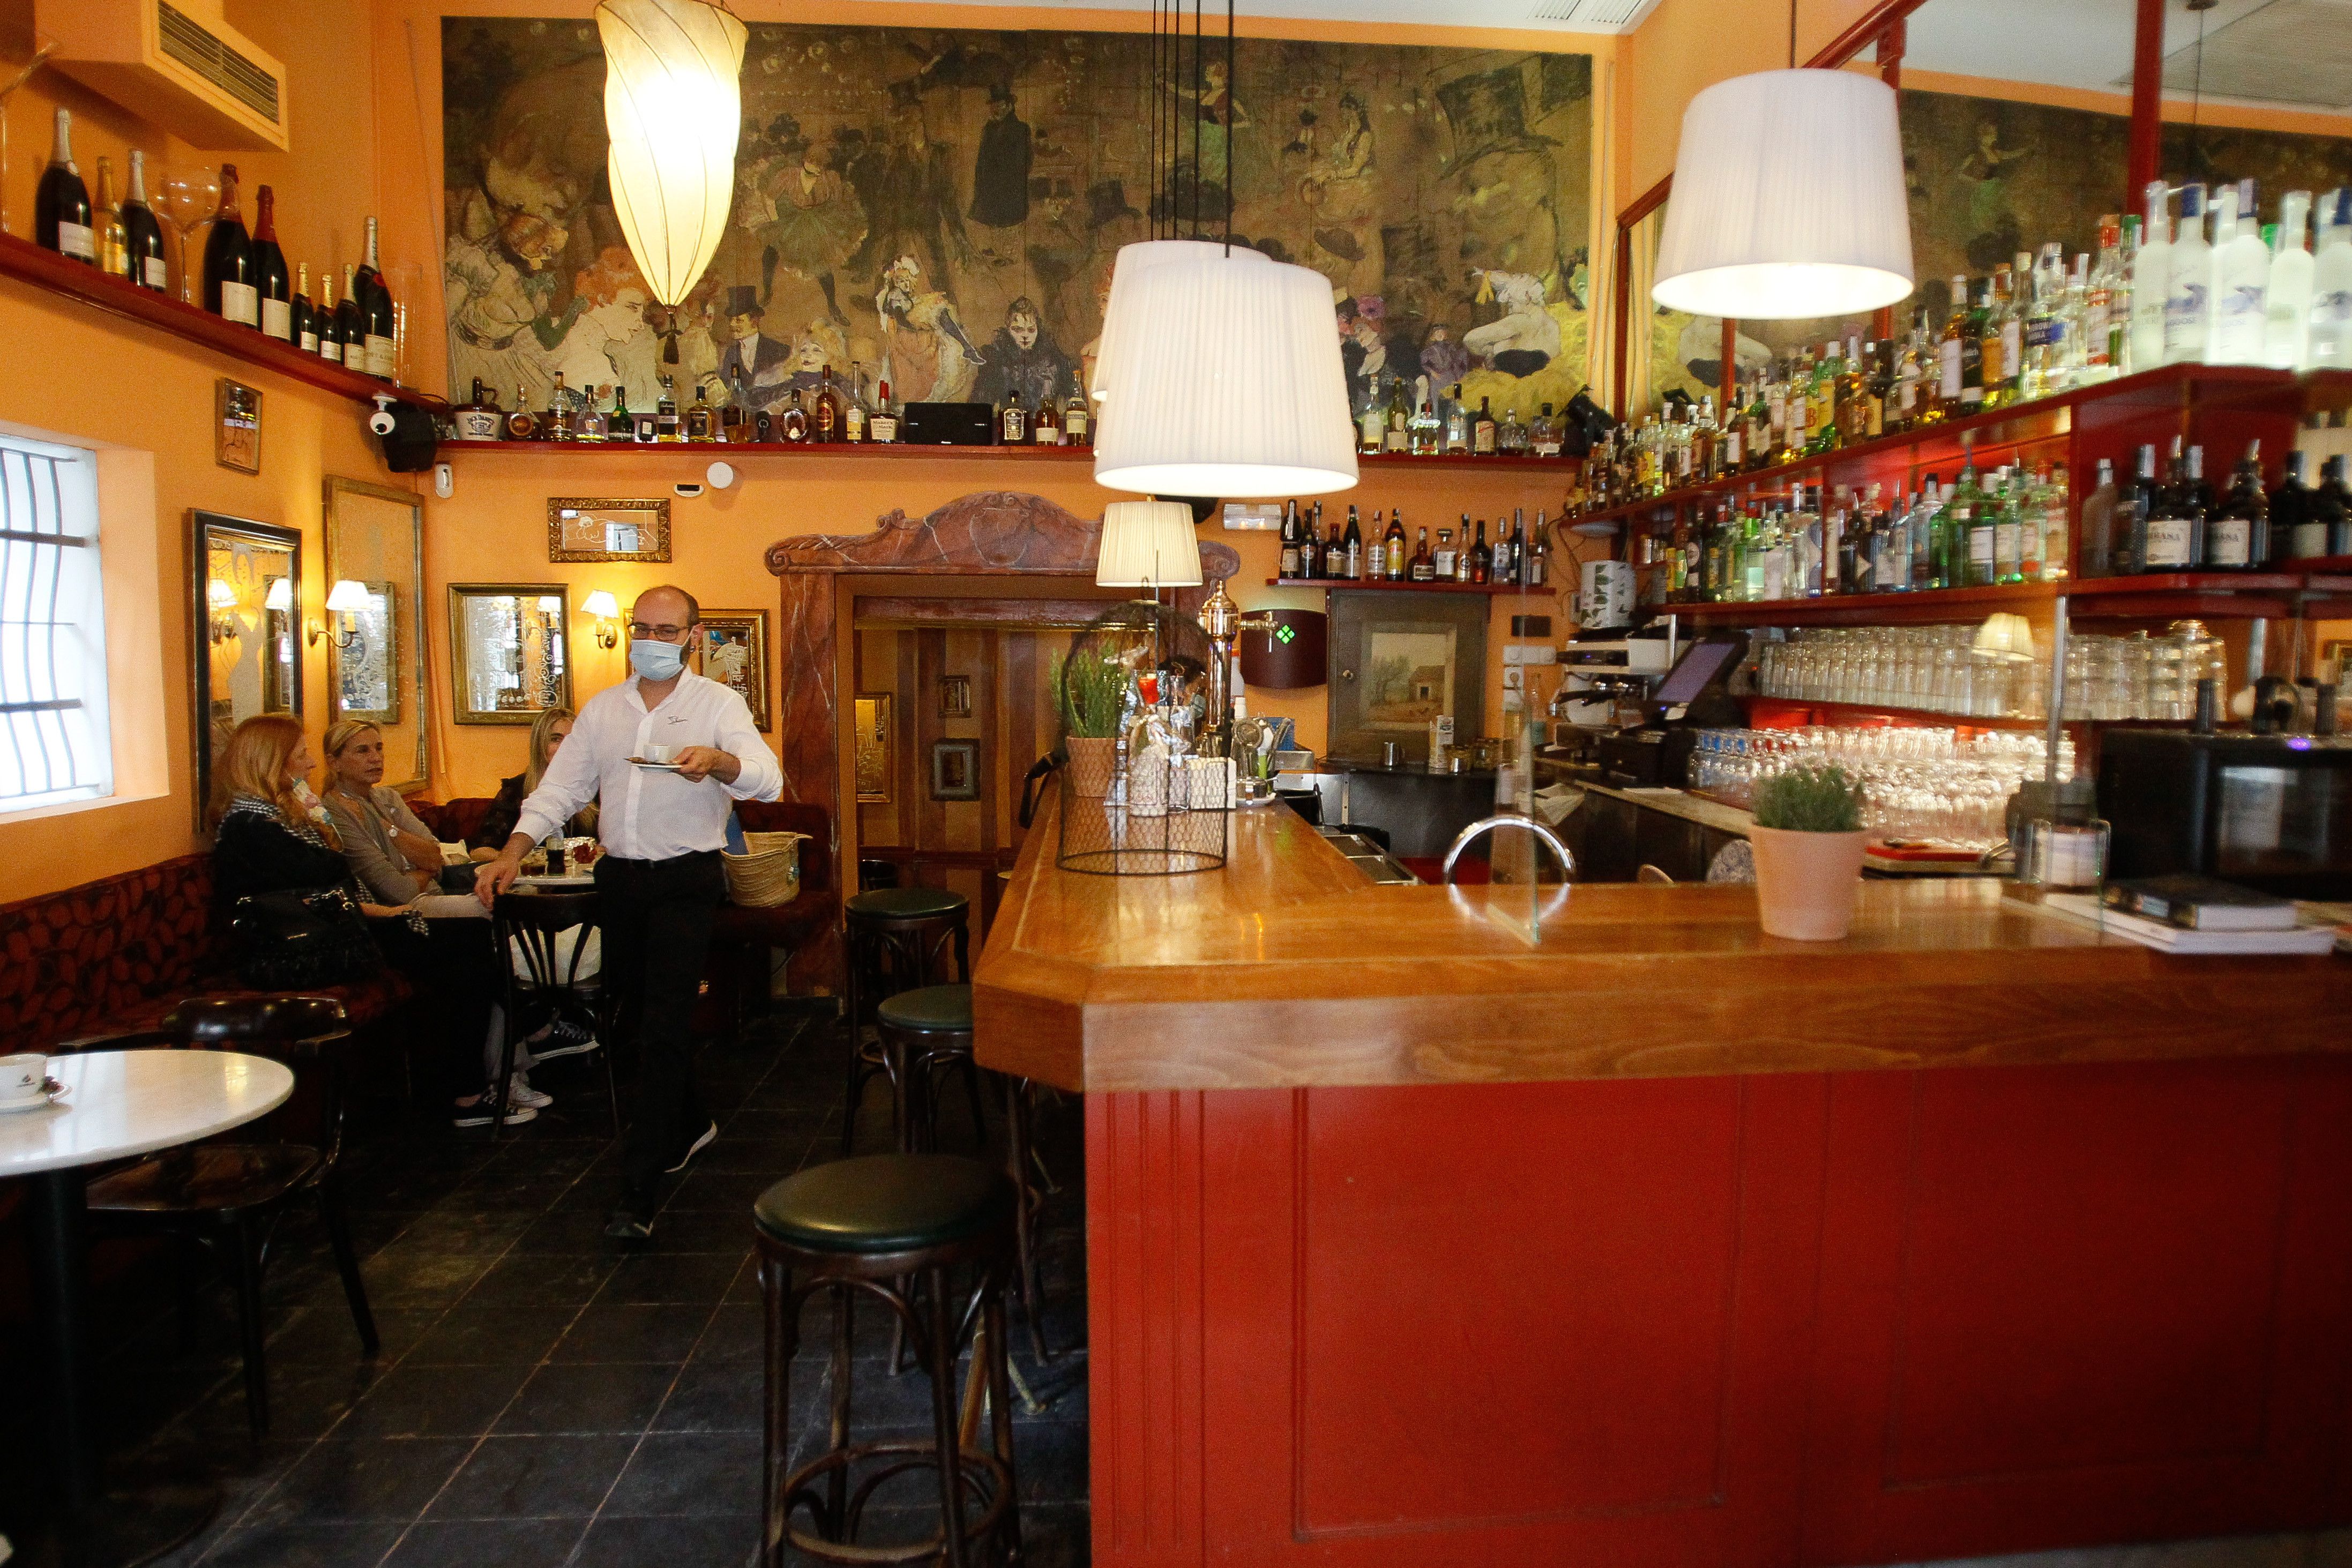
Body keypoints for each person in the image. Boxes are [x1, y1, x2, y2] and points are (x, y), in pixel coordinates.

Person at [476, 586, 782, 1239]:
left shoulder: (718, 703)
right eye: (641, 626)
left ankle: (637, 1189)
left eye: (666, 629)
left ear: (692, 637)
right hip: (622, 880)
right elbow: (560, 789)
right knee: (628, 1020)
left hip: (686, 880)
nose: (651, 638)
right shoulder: (603, 710)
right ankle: (692, 1121)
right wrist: (512, 850)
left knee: (665, 1026)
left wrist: (721, 763)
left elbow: (766, 776)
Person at [211, 719, 531, 1128]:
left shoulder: (284, 817)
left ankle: (472, 1085)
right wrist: (397, 913)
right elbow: (319, 898)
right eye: (301, 756)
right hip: (297, 951)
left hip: (341, 930)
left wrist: (397, 909)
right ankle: (492, 1066)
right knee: (468, 947)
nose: (310, 764)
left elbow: (417, 860)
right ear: (271, 762)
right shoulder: (251, 825)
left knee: (469, 954)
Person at [319, 720, 568, 1118]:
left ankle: (510, 1066)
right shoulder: (333, 811)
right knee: (490, 917)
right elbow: (395, 891)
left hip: (431, 897)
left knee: (483, 947)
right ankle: (535, 1023)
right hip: (396, 917)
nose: (376, 758)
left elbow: (435, 856)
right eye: (362, 750)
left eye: (378, 748)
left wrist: (398, 841)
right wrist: (413, 863)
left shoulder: (385, 798)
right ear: (333, 761)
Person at [470, 706, 598, 858]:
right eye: (556, 739)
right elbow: (480, 851)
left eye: (571, 740)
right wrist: (521, 861)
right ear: (540, 745)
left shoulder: (595, 788)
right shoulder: (515, 790)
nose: (565, 748)